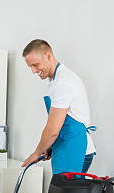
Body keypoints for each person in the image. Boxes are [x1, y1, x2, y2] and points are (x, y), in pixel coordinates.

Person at [21, 39, 96, 173]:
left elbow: (52, 130)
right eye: (30, 67)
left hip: (74, 149)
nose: (33, 71)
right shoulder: (55, 81)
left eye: (35, 64)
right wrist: (49, 146)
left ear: (48, 56)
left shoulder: (63, 82)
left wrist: (37, 153)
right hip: (65, 145)